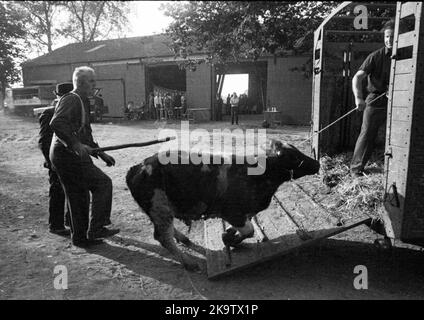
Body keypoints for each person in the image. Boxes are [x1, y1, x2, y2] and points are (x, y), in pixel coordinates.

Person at [49, 66, 119, 248]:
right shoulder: (72, 99)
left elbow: (85, 134)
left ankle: (82, 235)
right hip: (67, 155)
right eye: (92, 81)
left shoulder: (82, 101)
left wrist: (101, 153)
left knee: (78, 194)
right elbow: (56, 122)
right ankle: (94, 230)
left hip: (66, 154)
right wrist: (75, 145)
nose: (95, 84)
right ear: (80, 82)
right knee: (100, 184)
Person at [350, 20, 394, 177]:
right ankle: (356, 169)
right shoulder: (375, 57)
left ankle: (394, 170)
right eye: (387, 36)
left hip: (399, 101)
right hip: (375, 100)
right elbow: (357, 78)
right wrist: (359, 98)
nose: (389, 40)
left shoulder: (408, 55)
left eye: (392, 37)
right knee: (368, 133)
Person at [39, 82, 73, 236]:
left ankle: (70, 220)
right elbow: (44, 141)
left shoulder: (73, 110)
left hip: (71, 159)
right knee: (58, 191)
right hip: (56, 160)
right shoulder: (49, 113)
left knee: (73, 190)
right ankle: (56, 225)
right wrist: (51, 161)